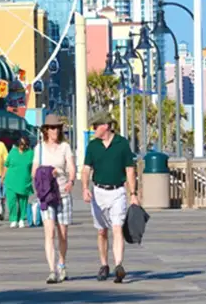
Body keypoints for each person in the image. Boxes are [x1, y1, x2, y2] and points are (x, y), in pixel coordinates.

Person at [81, 111, 137, 284]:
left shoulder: (122, 144)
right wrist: (84, 188)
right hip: (98, 191)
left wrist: (133, 194)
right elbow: (86, 169)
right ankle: (104, 264)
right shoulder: (93, 146)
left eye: (95, 126)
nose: (93, 129)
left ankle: (118, 265)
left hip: (118, 191)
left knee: (117, 227)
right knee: (101, 230)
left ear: (105, 126)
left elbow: (129, 169)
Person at [33, 114, 76, 284]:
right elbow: (34, 171)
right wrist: (44, 175)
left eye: (57, 127)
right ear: (46, 130)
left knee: (63, 234)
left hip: (63, 193)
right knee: (49, 232)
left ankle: (62, 264)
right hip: (47, 195)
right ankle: (52, 270)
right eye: (51, 128)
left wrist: (71, 180)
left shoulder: (65, 147)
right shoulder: (40, 148)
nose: (55, 130)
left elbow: (71, 167)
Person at [3, 136, 34, 229]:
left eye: (25, 145)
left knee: (23, 201)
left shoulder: (31, 153)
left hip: (24, 181)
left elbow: (34, 166)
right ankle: (13, 219)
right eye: (21, 144)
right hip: (10, 181)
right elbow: (6, 165)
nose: (22, 146)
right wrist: (2, 177)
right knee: (11, 201)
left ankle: (21, 219)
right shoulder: (12, 152)